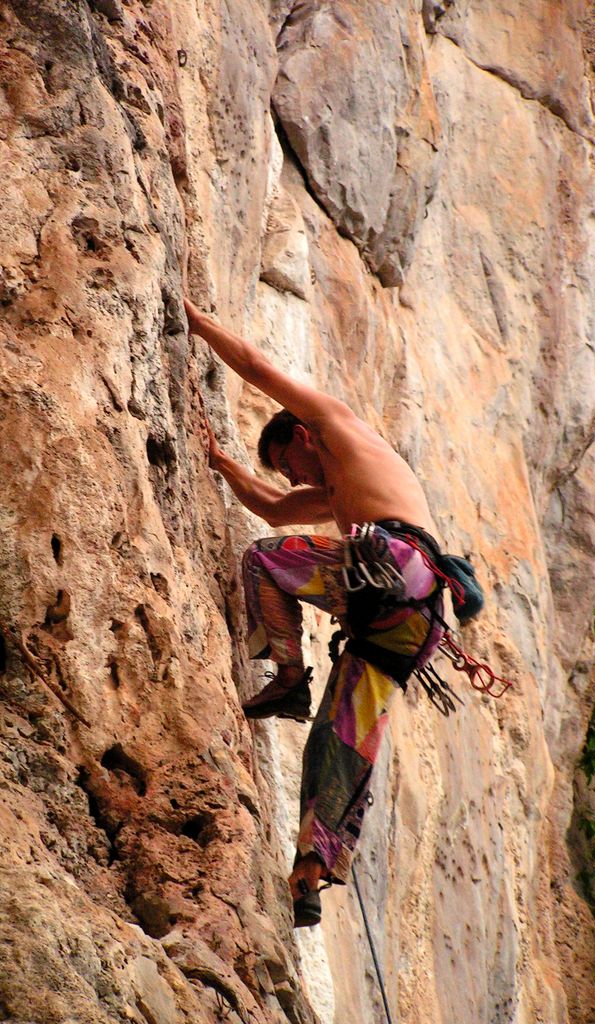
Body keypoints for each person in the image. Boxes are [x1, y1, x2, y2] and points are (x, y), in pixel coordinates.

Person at [184, 297, 446, 927]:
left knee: (263, 561)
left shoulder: (333, 425)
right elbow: (275, 508)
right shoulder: (342, 488)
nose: (290, 474)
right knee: (339, 740)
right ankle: (310, 871)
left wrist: (192, 318)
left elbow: (253, 364)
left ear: (300, 436)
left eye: (285, 461)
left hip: (390, 565)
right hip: (414, 615)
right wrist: (222, 465)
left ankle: (289, 678)